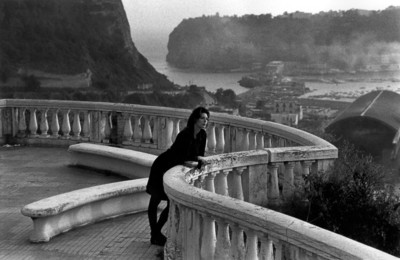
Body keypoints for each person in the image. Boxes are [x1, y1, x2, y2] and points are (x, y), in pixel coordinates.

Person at [146, 106, 210, 246]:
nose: (205, 121)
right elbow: (179, 157)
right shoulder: (184, 135)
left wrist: (201, 162)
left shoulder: (202, 135)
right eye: (202, 118)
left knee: (171, 202)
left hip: (174, 168)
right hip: (163, 166)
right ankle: (155, 234)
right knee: (154, 201)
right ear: (195, 119)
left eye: (207, 119)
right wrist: (192, 164)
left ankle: (155, 233)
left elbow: (199, 155)